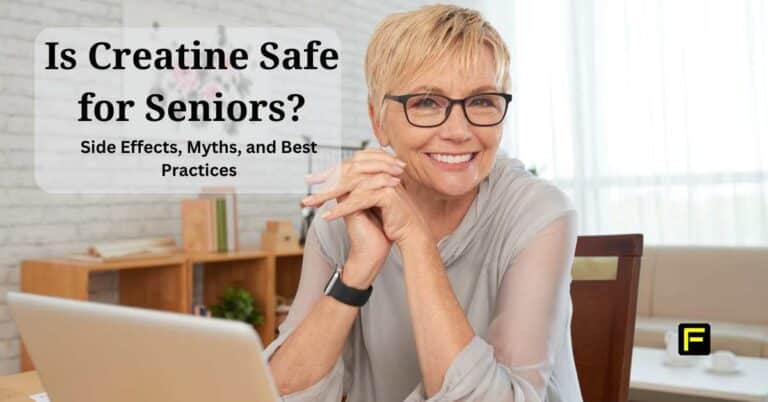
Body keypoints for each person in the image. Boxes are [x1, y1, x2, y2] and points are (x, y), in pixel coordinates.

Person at [266, 5, 582, 401]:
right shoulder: (344, 219)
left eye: (483, 101)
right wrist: (356, 272)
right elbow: (276, 394)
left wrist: (415, 241)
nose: (459, 131)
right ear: (377, 120)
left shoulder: (539, 213)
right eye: (427, 103)